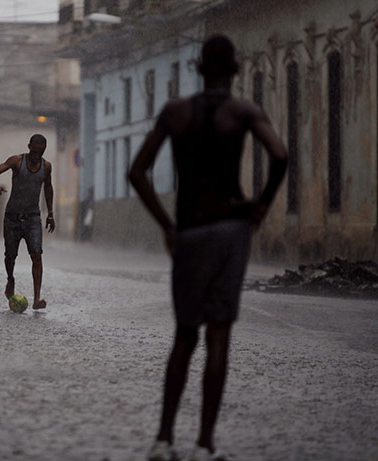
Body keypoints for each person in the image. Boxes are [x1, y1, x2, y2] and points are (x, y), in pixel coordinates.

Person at [128, 35, 288, 461]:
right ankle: (204, 444)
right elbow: (280, 154)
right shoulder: (244, 112)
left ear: (198, 68)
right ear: (234, 70)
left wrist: (167, 225)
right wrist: (262, 206)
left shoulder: (175, 112)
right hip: (230, 230)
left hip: (191, 230)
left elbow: (137, 171)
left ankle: (163, 440)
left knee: (184, 335)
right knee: (219, 338)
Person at [0, 134, 56, 310]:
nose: (36, 156)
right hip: (12, 218)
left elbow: (48, 188)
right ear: (29, 147)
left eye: (41, 153)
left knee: (37, 255)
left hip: (33, 218)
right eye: (34, 151)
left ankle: (37, 298)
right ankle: (10, 279)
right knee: (10, 256)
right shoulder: (17, 161)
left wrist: (50, 213)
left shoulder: (46, 166)